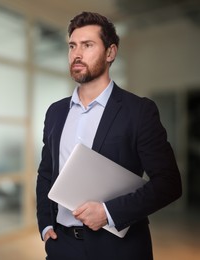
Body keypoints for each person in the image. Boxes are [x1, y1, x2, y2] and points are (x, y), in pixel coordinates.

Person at [36, 11, 182, 260]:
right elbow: (47, 173)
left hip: (118, 249)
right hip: (62, 247)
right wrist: (46, 225)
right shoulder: (55, 112)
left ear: (110, 53)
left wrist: (108, 212)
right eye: (72, 46)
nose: (77, 54)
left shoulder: (139, 111)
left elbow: (168, 183)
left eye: (87, 45)